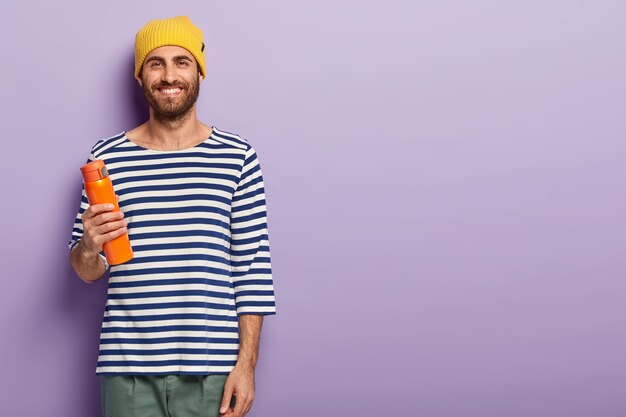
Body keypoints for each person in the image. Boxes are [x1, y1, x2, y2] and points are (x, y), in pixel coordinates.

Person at [68, 16, 276, 417]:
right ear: (140, 75)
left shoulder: (237, 157)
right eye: (155, 63)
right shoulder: (107, 157)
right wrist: (89, 246)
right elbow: (86, 271)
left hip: (212, 370)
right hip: (126, 369)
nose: (168, 75)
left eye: (181, 61)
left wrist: (246, 367)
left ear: (198, 70)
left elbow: (252, 271)